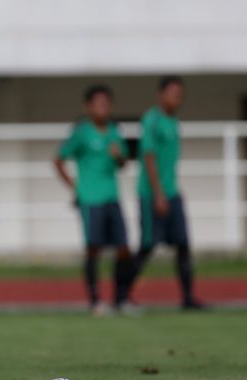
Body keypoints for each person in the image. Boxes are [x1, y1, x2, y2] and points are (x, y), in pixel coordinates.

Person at [53, 85, 134, 315]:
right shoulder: (82, 132)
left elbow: (123, 163)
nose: (103, 108)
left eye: (107, 103)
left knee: (124, 248)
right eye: (98, 103)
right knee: (93, 249)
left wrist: (119, 157)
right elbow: (58, 160)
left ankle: (121, 299)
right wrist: (75, 189)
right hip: (90, 198)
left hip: (112, 196)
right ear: (88, 106)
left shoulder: (114, 131)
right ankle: (95, 301)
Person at [130, 76, 204, 310]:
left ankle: (188, 298)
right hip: (153, 194)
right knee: (148, 245)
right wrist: (159, 194)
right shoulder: (152, 120)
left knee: (183, 245)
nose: (177, 98)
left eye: (180, 94)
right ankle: (122, 294)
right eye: (173, 93)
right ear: (161, 95)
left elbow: (168, 164)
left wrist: (174, 191)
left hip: (172, 193)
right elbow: (149, 158)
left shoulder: (174, 122)